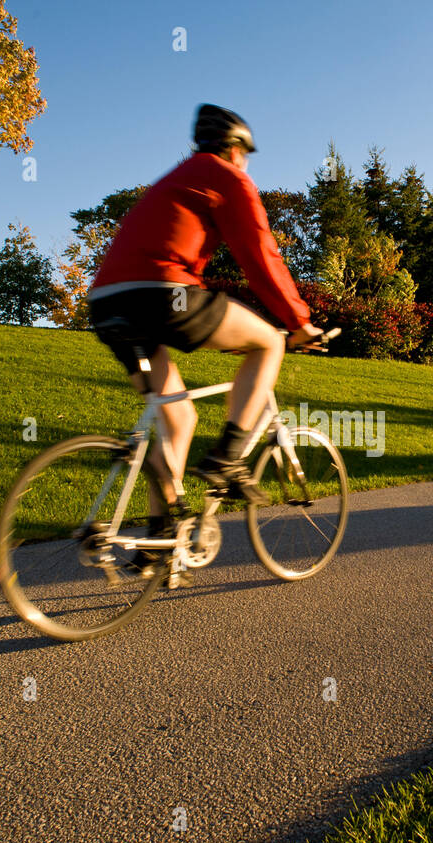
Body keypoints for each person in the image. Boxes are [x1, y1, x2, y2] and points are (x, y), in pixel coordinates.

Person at [86, 103, 322, 563]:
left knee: (176, 418)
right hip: (163, 295)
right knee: (269, 341)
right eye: (247, 154)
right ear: (235, 149)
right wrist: (298, 322)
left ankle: (159, 542)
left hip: (108, 304)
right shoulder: (229, 178)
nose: (247, 162)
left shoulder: (172, 180)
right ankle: (228, 458)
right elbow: (261, 257)